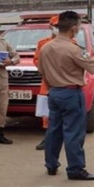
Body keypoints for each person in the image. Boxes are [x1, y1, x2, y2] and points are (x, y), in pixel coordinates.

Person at [38, 11, 94, 181]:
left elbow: (42, 71)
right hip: (71, 93)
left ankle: (51, 165)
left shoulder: (45, 47)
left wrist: (52, 88)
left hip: (53, 92)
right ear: (73, 28)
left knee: (53, 130)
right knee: (74, 132)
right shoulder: (73, 48)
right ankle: (76, 169)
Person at [32, 15, 61, 151]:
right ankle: (48, 138)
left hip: (65, 82)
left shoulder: (71, 43)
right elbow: (37, 60)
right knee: (46, 113)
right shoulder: (42, 43)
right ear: (50, 26)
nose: (57, 29)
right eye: (55, 26)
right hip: (48, 82)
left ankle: (64, 139)